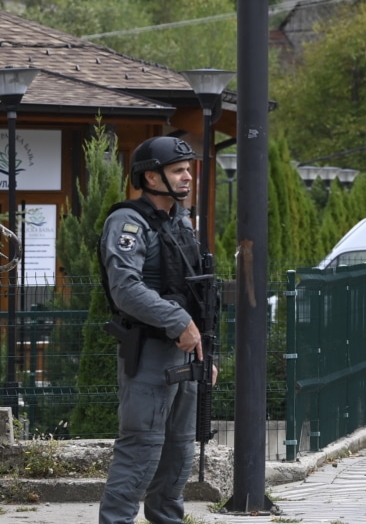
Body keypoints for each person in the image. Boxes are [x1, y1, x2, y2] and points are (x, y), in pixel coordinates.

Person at [97, 135, 213, 524]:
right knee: (141, 450)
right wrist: (178, 323)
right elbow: (126, 288)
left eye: (188, 169)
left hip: (188, 352)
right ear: (150, 176)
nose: (187, 177)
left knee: (179, 454)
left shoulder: (180, 220)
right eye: (178, 170)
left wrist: (204, 349)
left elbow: (194, 289)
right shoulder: (128, 222)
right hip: (149, 351)